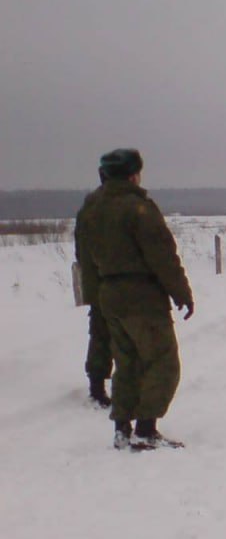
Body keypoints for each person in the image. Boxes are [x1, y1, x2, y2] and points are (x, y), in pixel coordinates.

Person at [78, 149, 194, 450]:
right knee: (162, 361)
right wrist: (181, 292)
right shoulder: (139, 208)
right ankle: (146, 428)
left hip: (109, 295)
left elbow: (84, 258)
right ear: (133, 174)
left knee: (127, 362)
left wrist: (96, 299)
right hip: (141, 295)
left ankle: (122, 427)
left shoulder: (91, 207)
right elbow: (162, 256)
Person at [73, 168, 112, 407]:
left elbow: (81, 249)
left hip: (96, 282)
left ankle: (97, 386)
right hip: (111, 281)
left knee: (100, 335)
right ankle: (102, 388)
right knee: (109, 335)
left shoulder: (88, 208)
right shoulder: (113, 207)